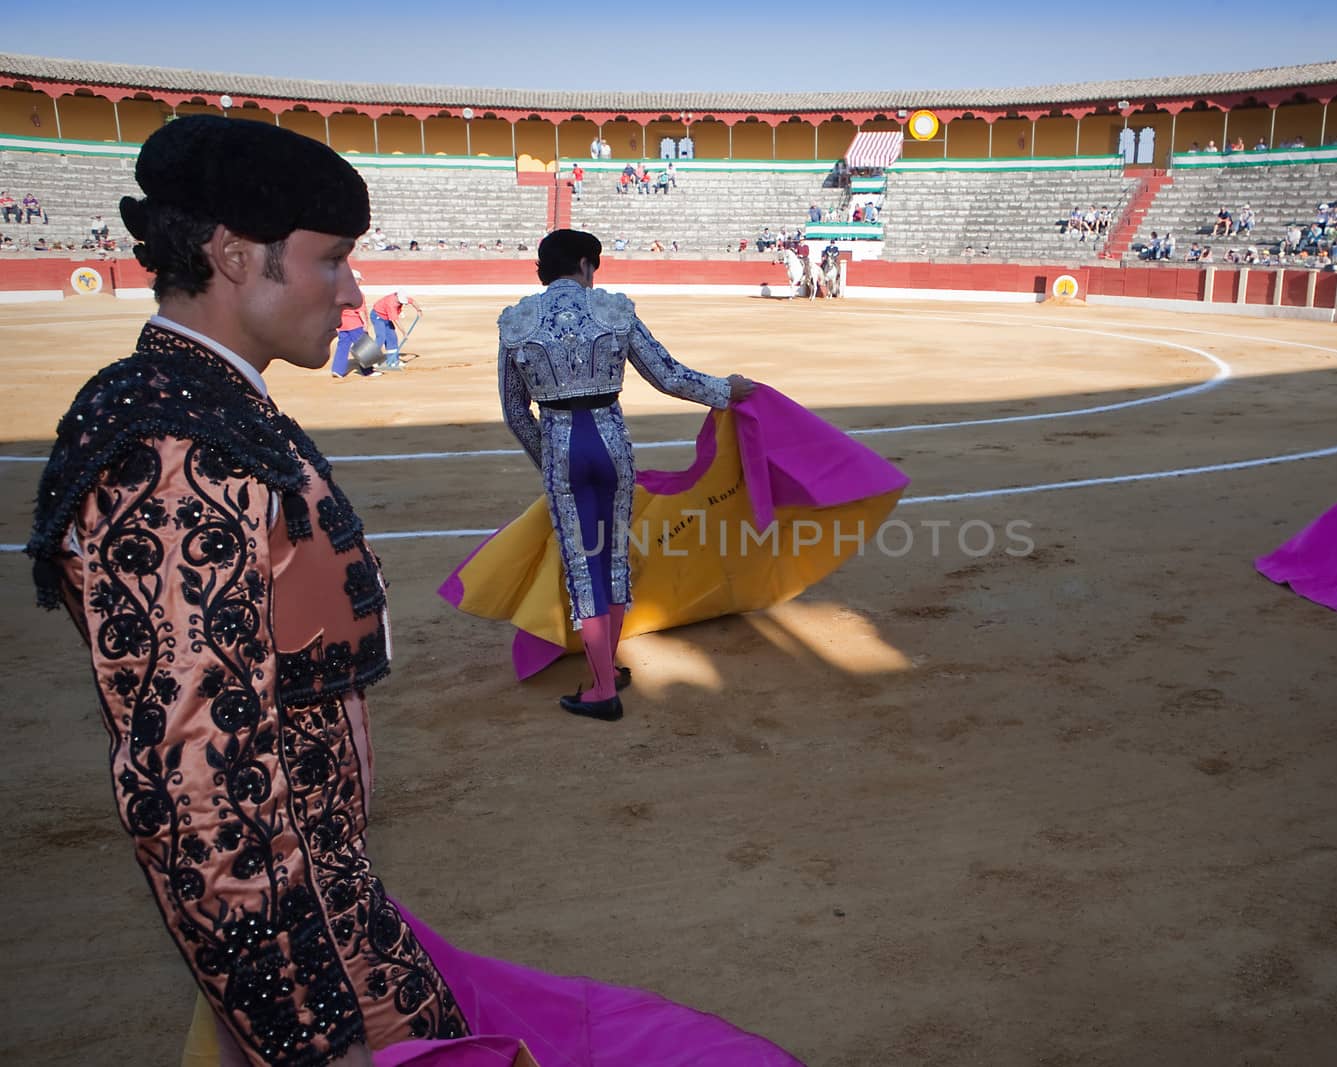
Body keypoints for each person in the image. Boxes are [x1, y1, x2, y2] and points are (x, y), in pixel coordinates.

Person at [27, 116, 797, 1067]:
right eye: (333, 259)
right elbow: (197, 788)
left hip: (326, 901)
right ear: (233, 253)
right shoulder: (170, 445)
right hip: (314, 954)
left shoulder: (202, 408)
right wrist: (311, 1034)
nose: (353, 290)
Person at [497, 229, 755, 720]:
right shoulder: (613, 312)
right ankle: (606, 670)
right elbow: (668, 376)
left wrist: (549, 460)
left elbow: (514, 411)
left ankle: (601, 688)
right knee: (612, 557)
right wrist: (726, 390)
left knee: (582, 564)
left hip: (563, 449)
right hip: (612, 446)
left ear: (541, 272)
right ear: (586, 265)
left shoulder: (517, 321)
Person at [331, 268, 376, 378]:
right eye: (359, 280)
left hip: (342, 324)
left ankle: (337, 370)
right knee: (362, 346)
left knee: (343, 346)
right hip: (354, 323)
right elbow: (360, 310)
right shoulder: (357, 293)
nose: (360, 282)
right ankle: (368, 371)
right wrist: (365, 323)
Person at [369, 288, 420, 370]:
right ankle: (371, 360)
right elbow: (395, 320)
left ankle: (393, 360)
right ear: (397, 297)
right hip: (377, 316)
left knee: (392, 338)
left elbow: (413, 302)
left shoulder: (402, 296)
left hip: (386, 317)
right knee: (381, 337)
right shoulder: (391, 304)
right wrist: (404, 332)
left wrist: (419, 310)